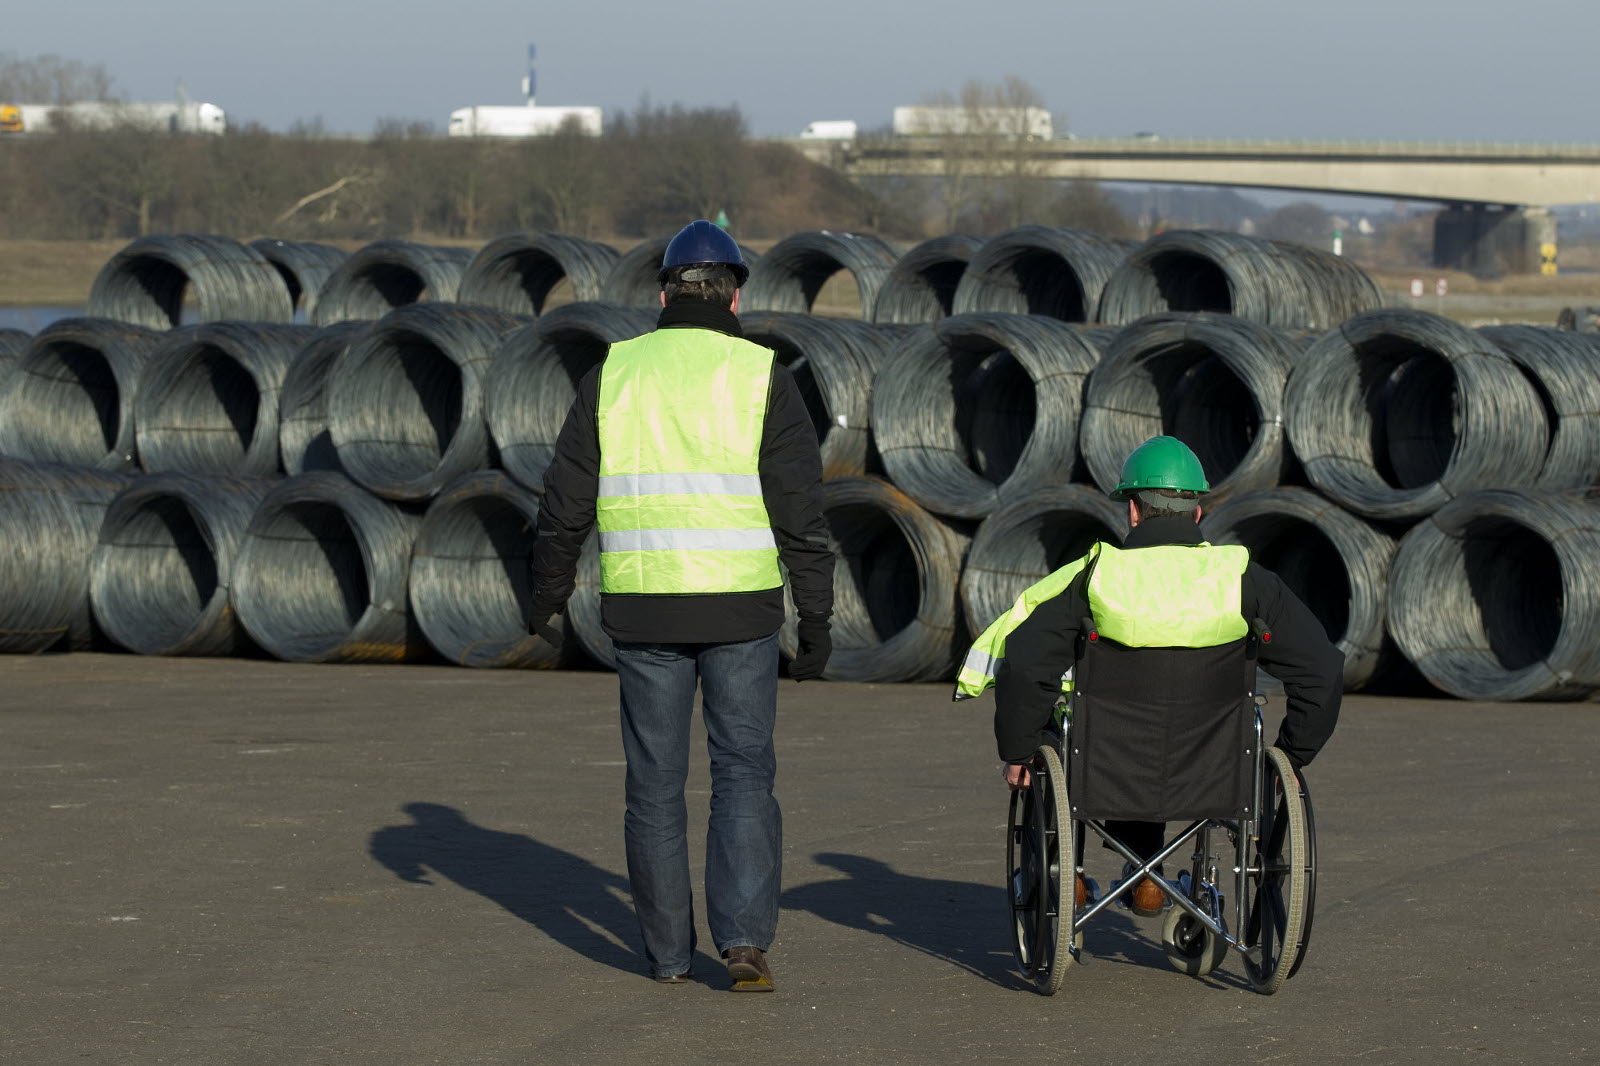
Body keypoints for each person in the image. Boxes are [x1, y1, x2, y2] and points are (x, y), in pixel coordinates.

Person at [526, 219, 834, 991]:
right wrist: (818, 618)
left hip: (645, 613)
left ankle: (666, 957)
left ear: (664, 292)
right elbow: (801, 512)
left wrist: (547, 594)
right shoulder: (764, 375)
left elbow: (565, 500)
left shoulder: (615, 372)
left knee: (655, 786)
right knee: (741, 774)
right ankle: (742, 944)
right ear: (735, 297)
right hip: (741, 614)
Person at [955, 435, 1342, 915]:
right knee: (1168, 727)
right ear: (1197, 513)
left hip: (1104, 764)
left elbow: (1026, 664)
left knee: (1060, 730)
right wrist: (1293, 755)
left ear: (1133, 511)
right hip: (1217, 769)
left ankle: (1065, 872)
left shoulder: (1093, 576)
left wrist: (1017, 751)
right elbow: (1321, 669)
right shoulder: (1241, 577)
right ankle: (1148, 874)